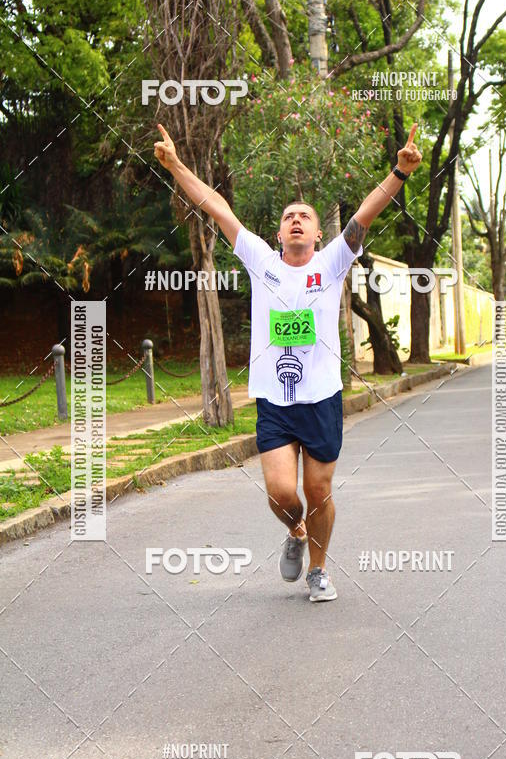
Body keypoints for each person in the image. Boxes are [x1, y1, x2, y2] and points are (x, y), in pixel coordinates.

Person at [153, 122, 422, 603]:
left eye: (305, 216)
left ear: (319, 233)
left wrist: (399, 173)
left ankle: (319, 570)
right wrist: (175, 166)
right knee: (282, 493)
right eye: (288, 216)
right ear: (278, 233)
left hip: (321, 397)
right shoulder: (261, 260)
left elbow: (364, 213)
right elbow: (216, 206)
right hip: (275, 398)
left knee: (320, 492)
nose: (296, 220)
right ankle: (296, 531)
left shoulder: (334, 260)